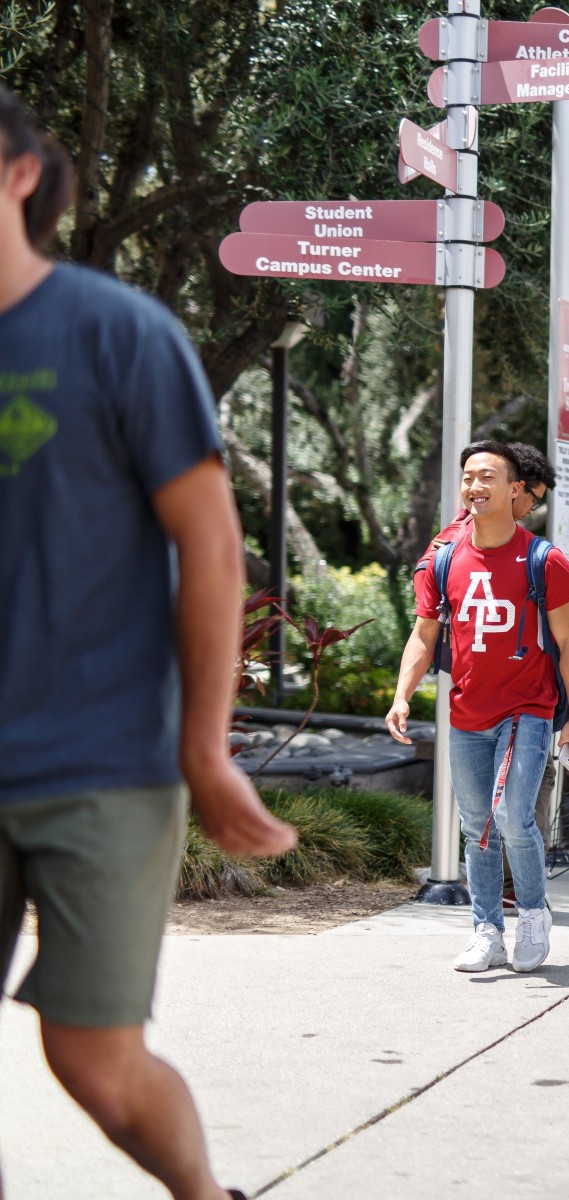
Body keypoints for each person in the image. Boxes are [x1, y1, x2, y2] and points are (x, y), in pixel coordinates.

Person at [0, 84, 296, 1200]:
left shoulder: (119, 334)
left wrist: (205, 747)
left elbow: (213, 551)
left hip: (104, 764)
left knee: (94, 1060)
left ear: (23, 173)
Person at [386, 441, 569, 975]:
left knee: (512, 815)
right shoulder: (445, 555)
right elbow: (424, 634)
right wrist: (402, 694)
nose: (475, 487)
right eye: (468, 477)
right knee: (476, 824)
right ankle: (485, 931)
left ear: (516, 489)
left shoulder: (546, 561)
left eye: (488, 477)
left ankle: (533, 915)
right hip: (466, 711)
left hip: (528, 707)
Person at [426, 440, 553, 553]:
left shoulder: (539, 554)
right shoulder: (452, 541)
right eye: (534, 500)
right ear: (516, 488)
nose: (532, 509)